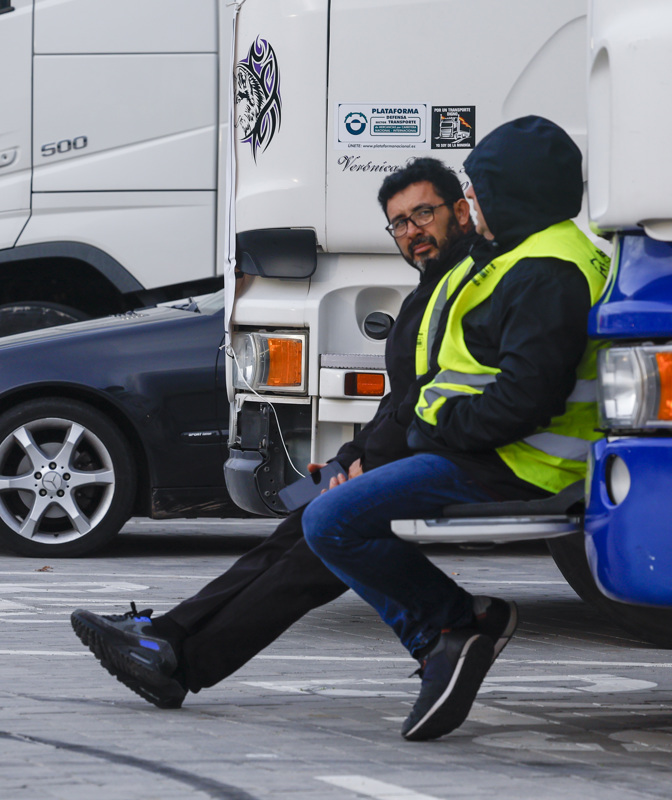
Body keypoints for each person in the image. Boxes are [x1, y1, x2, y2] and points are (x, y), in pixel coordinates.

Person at [69, 157, 502, 710]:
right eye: (399, 223)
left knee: (314, 551)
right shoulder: (430, 289)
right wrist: (348, 457)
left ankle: (179, 658)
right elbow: (399, 399)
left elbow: (431, 398)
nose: (412, 232)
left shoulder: (464, 285)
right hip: (407, 454)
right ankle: (170, 637)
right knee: (294, 528)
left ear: (460, 212)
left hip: (446, 460)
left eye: (423, 213)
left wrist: (364, 466)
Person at [302, 116, 610, 741]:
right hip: (493, 452)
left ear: (512, 191)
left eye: (477, 191)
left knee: (328, 521)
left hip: (515, 464)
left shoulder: (546, 270)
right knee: (325, 510)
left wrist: (436, 429)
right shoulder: (537, 253)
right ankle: (449, 636)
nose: (471, 205)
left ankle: (455, 627)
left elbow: (528, 396)